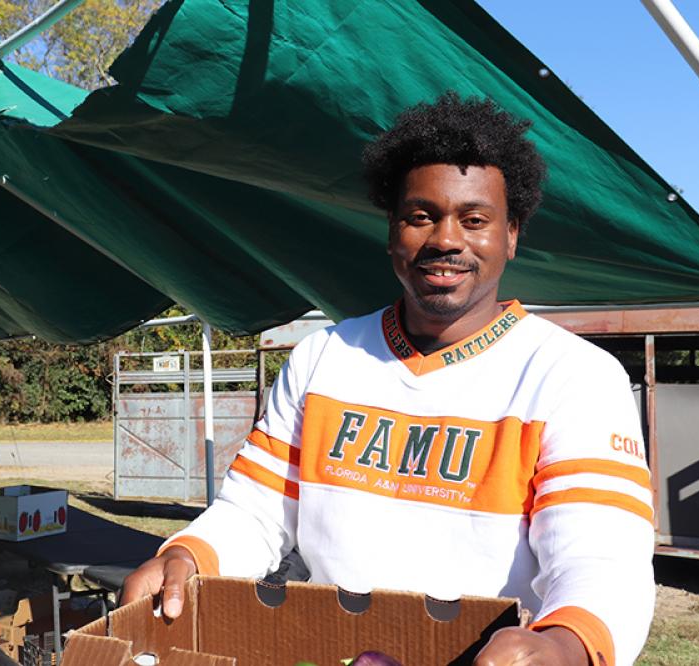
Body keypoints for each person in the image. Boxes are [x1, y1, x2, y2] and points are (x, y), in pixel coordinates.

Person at [121, 92, 654, 666]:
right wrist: (188, 558)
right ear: (392, 230)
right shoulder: (323, 357)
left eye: (475, 220)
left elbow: (602, 557)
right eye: (421, 215)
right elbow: (256, 509)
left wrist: (565, 645)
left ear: (511, 234)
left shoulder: (572, 376)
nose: (446, 239)